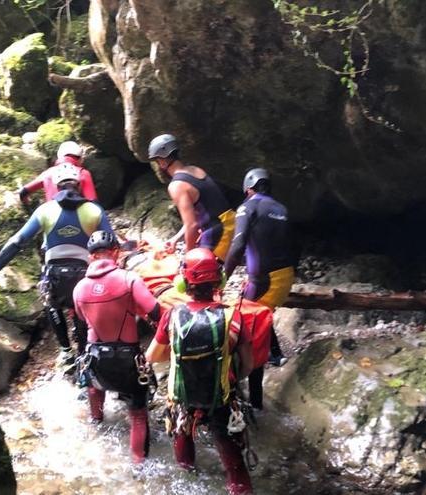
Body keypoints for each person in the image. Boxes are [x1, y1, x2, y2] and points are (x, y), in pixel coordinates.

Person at [0, 165, 113, 365]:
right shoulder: (94, 210)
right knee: (80, 309)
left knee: (52, 304)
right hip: (84, 274)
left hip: (54, 275)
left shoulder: (45, 210)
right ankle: (85, 354)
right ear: (79, 184)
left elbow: (17, 241)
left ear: (57, 186)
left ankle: (66, 352)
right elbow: (110, 243)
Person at [146, 248, 254, 495]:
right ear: (220, 280)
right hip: (221, 400)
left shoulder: (172, 316)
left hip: (183, 401)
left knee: (184, 463)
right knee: (235, 467)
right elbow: (248, 364)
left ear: (184, 283)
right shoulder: (233, 317)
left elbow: (152, 356)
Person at [72, 230, 161, 464]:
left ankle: (96, 426)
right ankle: (139, 466)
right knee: (138, 416)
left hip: (96, 357)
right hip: (126, 360)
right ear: (116, 253)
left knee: (93, 389)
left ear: (91, 257)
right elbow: (154, 311)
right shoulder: (129, 279)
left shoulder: (79, 288)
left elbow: (82, 318)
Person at [224, 168, 295, 409]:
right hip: (285, 277)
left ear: (248, 188)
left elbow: (238, 245)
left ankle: (253, 401)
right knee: (258, 313)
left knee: (243, 325)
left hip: (264, 280)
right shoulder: (282, 209)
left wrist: (223, 276)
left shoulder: (248, 207)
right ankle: (277, 354)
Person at [147, 134, 235, 260]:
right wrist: (175, 239)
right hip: (229, 223)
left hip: (220, 232)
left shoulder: (176, 186)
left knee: (201, 274)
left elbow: (192, 225)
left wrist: (189, 256)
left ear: (162, 161)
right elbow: (197, 216)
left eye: (156, 161)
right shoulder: (195, 170)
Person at [18, 140, 98, 204]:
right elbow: (93, 202)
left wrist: (25, 202)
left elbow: (23, 192)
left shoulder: (47, 173)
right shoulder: (83, 173)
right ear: (80, 159)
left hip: (51, 218)